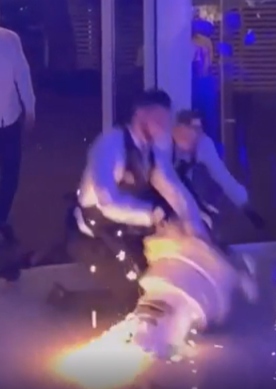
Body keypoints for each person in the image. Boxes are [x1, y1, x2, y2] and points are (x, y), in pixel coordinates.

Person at [63, 89, 208, 307]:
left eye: (166, 120)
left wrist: (194, 223)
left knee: (156, 279)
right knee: (131, 296)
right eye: (158, 118)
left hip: (127, 227)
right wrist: (151, 215)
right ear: (140, 114)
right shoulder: (109, 144)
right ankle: (68, 301)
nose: (163, 126)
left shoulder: (153, 150)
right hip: (94, 233)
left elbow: (171, 185)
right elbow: (107, 202)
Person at [171, 110, 265, 232]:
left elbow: (223, 177)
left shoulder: (203, 144)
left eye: (199, 129)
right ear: (180, 128)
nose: (196, 134)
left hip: (182, 185)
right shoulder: (165, 141)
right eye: (192, 128)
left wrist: (246, 208)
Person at [0, 25, 34, 245]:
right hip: (8, 121)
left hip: (8, 121)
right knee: (8, 176)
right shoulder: (9, 39)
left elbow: (22, 76)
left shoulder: (9, 39)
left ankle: (1, 221)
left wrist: (30, 108)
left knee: (10, 176)